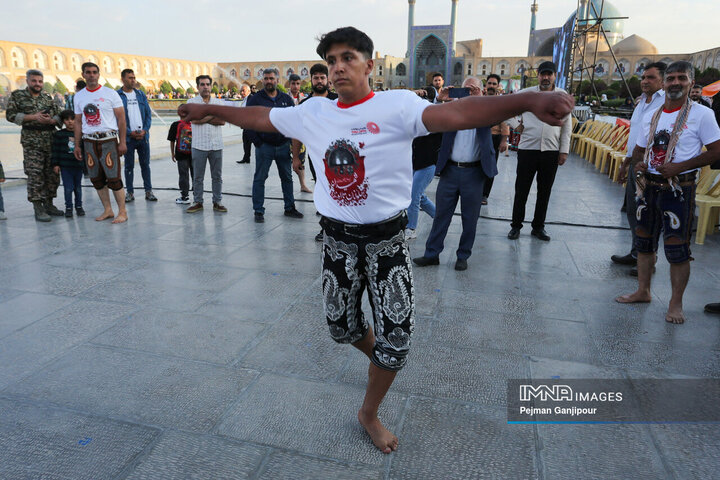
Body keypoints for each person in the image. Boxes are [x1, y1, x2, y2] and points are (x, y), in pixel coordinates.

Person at [178, 26, 573, 454]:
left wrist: (529, 100)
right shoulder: (313, 111)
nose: (337, 67)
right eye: (331, 61)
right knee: (341, 327)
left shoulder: (397, 105)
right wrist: (208, 108)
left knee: (397, 341)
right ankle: (378, 357)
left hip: (387, 244)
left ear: (369, 63)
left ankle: (369, 410)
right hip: (337, 245)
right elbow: (257, 117)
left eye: (347, 57)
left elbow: (462, 113)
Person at [615, 61, 720, 324]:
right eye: (670, 78)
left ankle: (675, 304)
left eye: (681, 78)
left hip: (679, 188)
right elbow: (641, 147)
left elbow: (717, 151)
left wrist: (679, 166)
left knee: (677, 248)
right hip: (649, 186)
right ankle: (643, 291)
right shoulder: (655, 114)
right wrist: (637, 163)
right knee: (644, 242)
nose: (675, 83)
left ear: (691, 83)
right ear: (664, 84)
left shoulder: (701, 114)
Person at [412, 78, 497, 271]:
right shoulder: (451, 109)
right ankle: (432, 254)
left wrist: (480, 100)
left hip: (474, 173)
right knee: (442, 215)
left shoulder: (485, 111)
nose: (468, 93)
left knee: (470, 218)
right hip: (450, 170)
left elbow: (495, 119)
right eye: (465, 90)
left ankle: (463, 255)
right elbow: (429, 119)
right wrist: (440, 100)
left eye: (472, 90)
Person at [508, 61, 572, 241]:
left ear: (554, 75)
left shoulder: (562, 95)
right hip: (528, 149)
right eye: (542, 74)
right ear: (538, 75)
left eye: (549, 74)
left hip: (551, 151)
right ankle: (515, 226)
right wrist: (516, 126)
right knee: (522, 190)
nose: (545, 78)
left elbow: (567, 126)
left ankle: (538, 227)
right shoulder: (527, 94)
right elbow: (507, 109)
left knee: (545, 191)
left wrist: (564, 151)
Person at [613, 62, 666, 272]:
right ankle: (636, 252)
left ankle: (648, 260)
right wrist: (626, 164)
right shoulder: (641, 103)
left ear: (662, 80)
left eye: (651, 78)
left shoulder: (666, 103)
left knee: (649, 212)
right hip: (636, 163)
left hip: (653, 166)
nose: (645, 81)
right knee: (633, 210)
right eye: (643, 77)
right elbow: (634, 136)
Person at [73, 62, 128, 224]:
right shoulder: (79, 96)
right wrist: (77, 145)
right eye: (88, 72)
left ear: (98, 74)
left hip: (108, 140)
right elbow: (77, 122)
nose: (91, 75)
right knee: (96, 178)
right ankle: (108, 210)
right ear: (83, 75)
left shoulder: (110, 94)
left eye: (94, 72)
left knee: (114, 177)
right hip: (89, 141)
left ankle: (122, 211)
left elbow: (121, 119)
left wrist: (122, 141)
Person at [245, 68, 303, 222]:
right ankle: (258, 210)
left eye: (271, 78)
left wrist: (292, 145)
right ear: (262, 80)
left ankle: (289, 207)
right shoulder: (256, 99)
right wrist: (258, 142)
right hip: (265, 146)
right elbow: (247, 122)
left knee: (287, 178)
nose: (269, 81)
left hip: (283, 146)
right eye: (266, 78)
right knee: (260, 179)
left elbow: (293, 122)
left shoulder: (286, 99)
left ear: (277, 80)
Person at [5, 69, 63, 222]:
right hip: (32, 142)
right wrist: (34, 117)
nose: (37, 84)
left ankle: (49, 204)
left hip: (50, 140)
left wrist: (52, 120)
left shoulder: (47, 97)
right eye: (34, 81)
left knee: (52, 174)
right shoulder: (18, 96)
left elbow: (59, 114)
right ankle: (38, 207)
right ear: (28, 81)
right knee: (35, 174)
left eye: (40, 81)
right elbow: (10, 115)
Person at [291, 63, 339, 241]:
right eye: (316, 78)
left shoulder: (337, 100)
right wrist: (296, 157)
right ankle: (326, 228)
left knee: (338, 190)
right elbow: (297, 132)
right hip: (317, 156)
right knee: (323, 190)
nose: (319, 81)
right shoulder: (305, 104)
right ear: (310, 80)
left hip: (339, 155)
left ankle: (338, 226)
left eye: (322, 78)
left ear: (328, 80)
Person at [186, 75, 227, 213]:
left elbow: (222, 121)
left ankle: (217, 201)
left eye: (208, 84)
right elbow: (193, 120)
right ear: (197, 87)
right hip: (199, 145)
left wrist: (203, 118)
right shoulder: (191, 102)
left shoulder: (218, 103)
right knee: (198, 176)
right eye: (202, 84)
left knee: (217, 176)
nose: (206, 87)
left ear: (211, 86)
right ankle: (198, 201)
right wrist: (212, 117)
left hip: (216, 145)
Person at [405, 86, 440, 240]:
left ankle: (411, 228)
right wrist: (412, 95)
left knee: (414, 196)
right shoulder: (414, 117)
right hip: (415, 164)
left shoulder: (435, 118)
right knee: (419, 196)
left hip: (428, 165)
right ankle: (440, 218)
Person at [117, 69, 156, 202]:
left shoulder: (140, 95)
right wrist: (129, 132)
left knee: (145, 165)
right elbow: (116, 119)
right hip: (128, 138)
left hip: (143, 137)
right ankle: (130, 192)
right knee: (128, 166)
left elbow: (148, 115)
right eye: (130, 78)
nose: (133, 80)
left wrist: (145, 130)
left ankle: (148, 191)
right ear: (123, 79)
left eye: (134, 77)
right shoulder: (118, 96)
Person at [51, 109, 85, 217]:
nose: (70, 122)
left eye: (72, 119)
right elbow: (55, 150)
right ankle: (69, 207)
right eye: (67, 119)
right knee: (68, 188)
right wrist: (55, 164)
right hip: (65, 167)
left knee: (78, 187)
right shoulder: (59, 135)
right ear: (63, 121)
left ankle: (79, 207)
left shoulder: (81, 134)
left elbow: (85, 150)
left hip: (78, 166)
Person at [482, 74, 510, 205]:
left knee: (490, 167)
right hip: (480, 137)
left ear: (498, 86)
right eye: (490, 83)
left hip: (494, 138)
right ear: (486, 85)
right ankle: (476, 191)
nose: (491, 86)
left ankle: (484, 195)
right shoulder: (480, 100)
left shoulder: (501, 102)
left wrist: (504, 140)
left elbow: (504, 122)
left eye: (494, 84)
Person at [167, 114, 194, 204]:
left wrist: (172, 153)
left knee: (183, 175)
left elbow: (172, 140)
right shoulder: (194, 124)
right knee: (196, 175)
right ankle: (198, 196)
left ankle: (184, 196)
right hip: (194, 153)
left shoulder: (175, 124)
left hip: (181, 153)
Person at [237, 84, 253, 164]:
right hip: (246, 126)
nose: (242, 92)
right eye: (241, 91)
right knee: (246, 142)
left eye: (243, 91)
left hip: (252, 126)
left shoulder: (252, 99)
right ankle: (246, 157)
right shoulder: (245, 100)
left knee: (256, 143)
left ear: (249, 91)